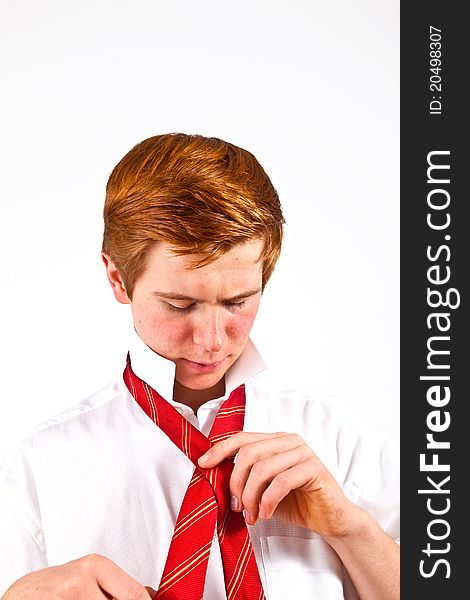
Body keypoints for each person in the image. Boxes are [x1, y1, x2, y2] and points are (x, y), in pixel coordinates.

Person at [0, 133, 399, 599]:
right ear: (117, 278)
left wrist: (350, 529)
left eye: (238, 301)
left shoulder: (336, 440)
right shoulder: (38, 469)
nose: (212, 340)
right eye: (180, 304)